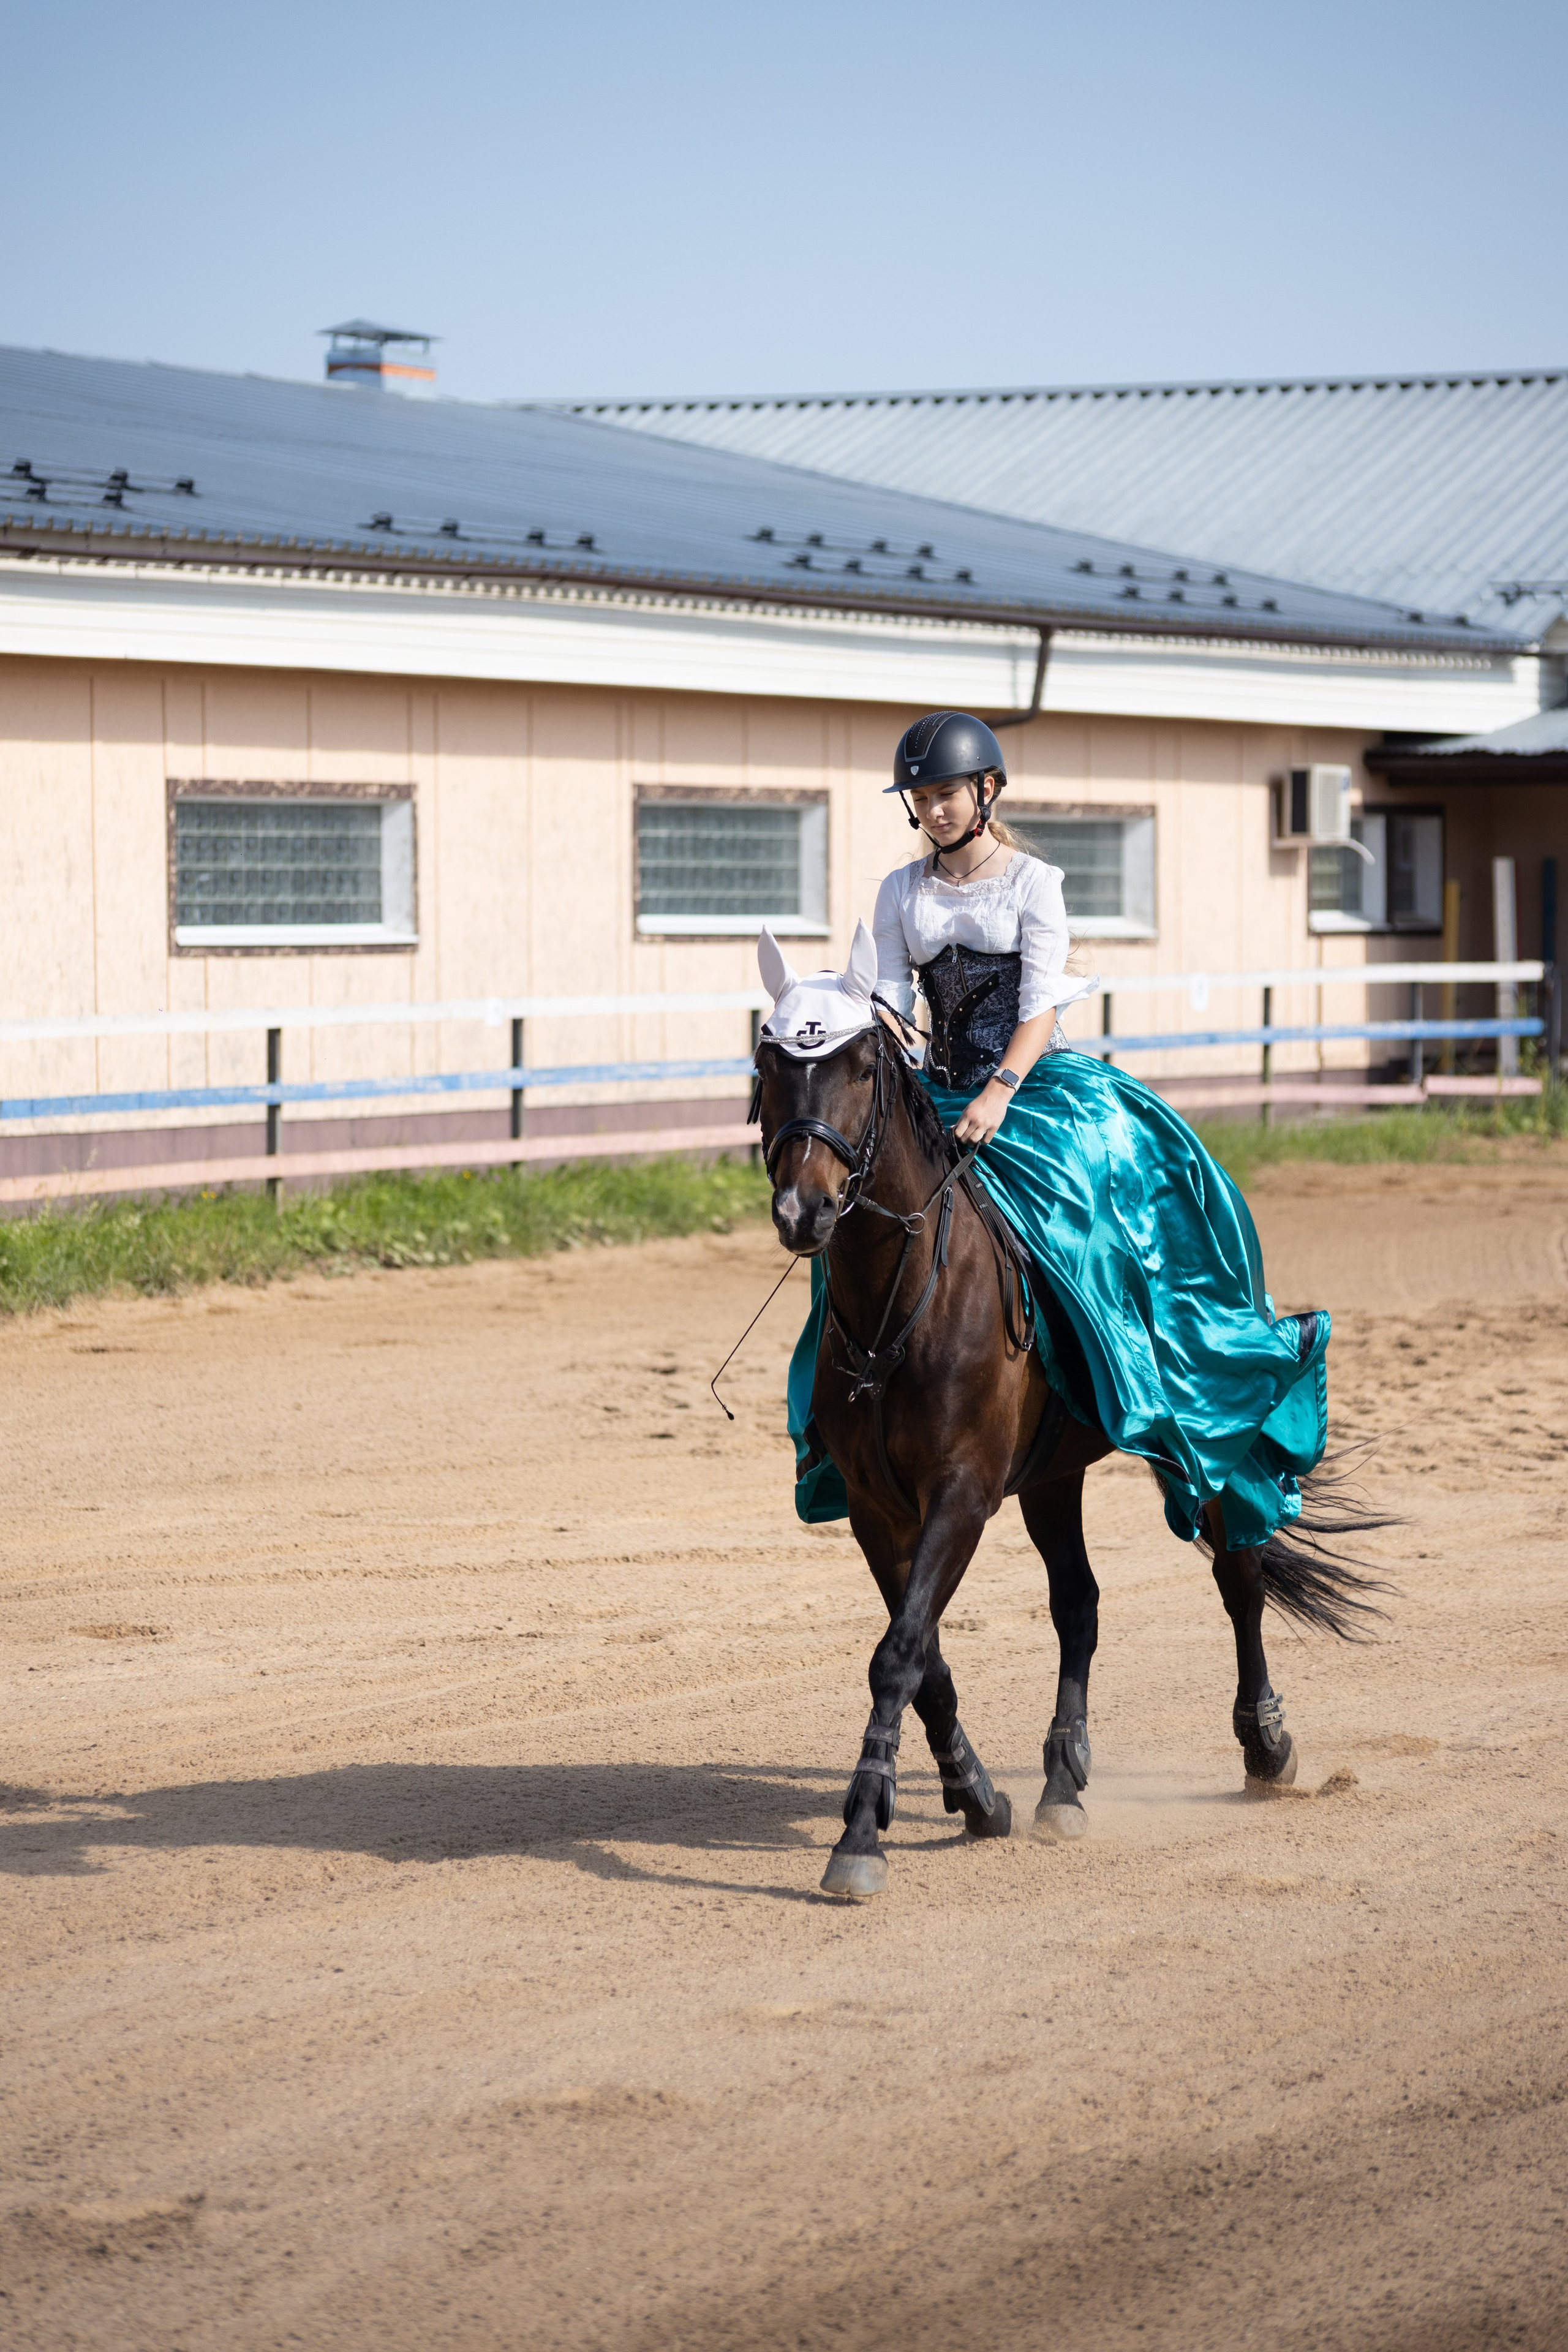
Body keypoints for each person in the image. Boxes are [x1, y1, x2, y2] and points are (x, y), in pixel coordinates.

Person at [784, 710, 1330, 1553]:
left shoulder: (1035, 883)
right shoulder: (901, 891)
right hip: (936, 1087)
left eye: (945, 794)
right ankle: (838, 1420)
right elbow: (893, 1004)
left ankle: (1141, 1367)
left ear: (986, 791)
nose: (932, 810)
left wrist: (1001, 1089)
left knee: (1090, 1220)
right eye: (921, 797)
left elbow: (1040, 1006)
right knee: (861, 1214)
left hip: (1037, 1086)